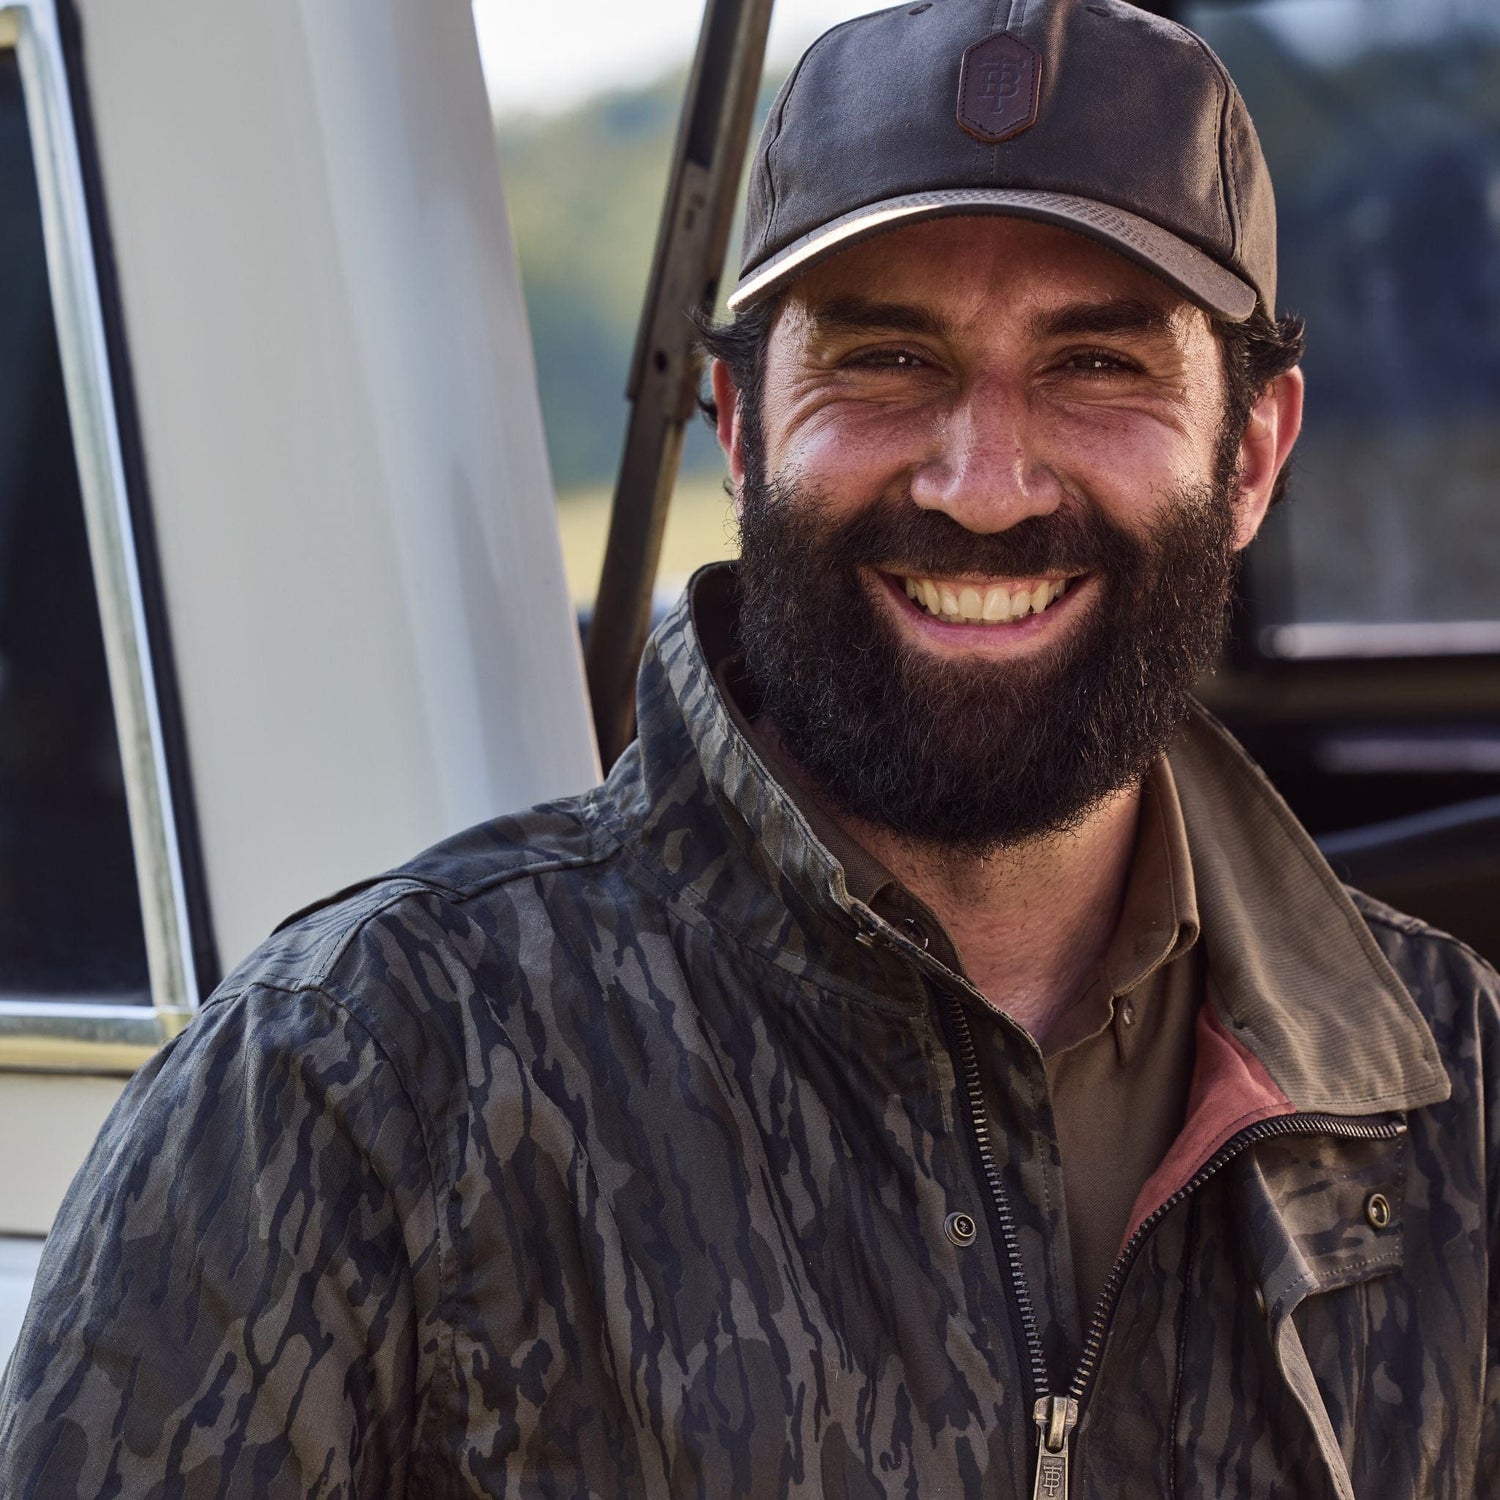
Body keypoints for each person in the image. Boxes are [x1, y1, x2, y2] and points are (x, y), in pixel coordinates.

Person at [2, 0, 1496, 1494]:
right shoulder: (357, 1085)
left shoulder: (1460, 1094)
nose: (983, 487)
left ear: (1248, 453)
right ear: (739, 429)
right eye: (888, 361)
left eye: (1097, 366)